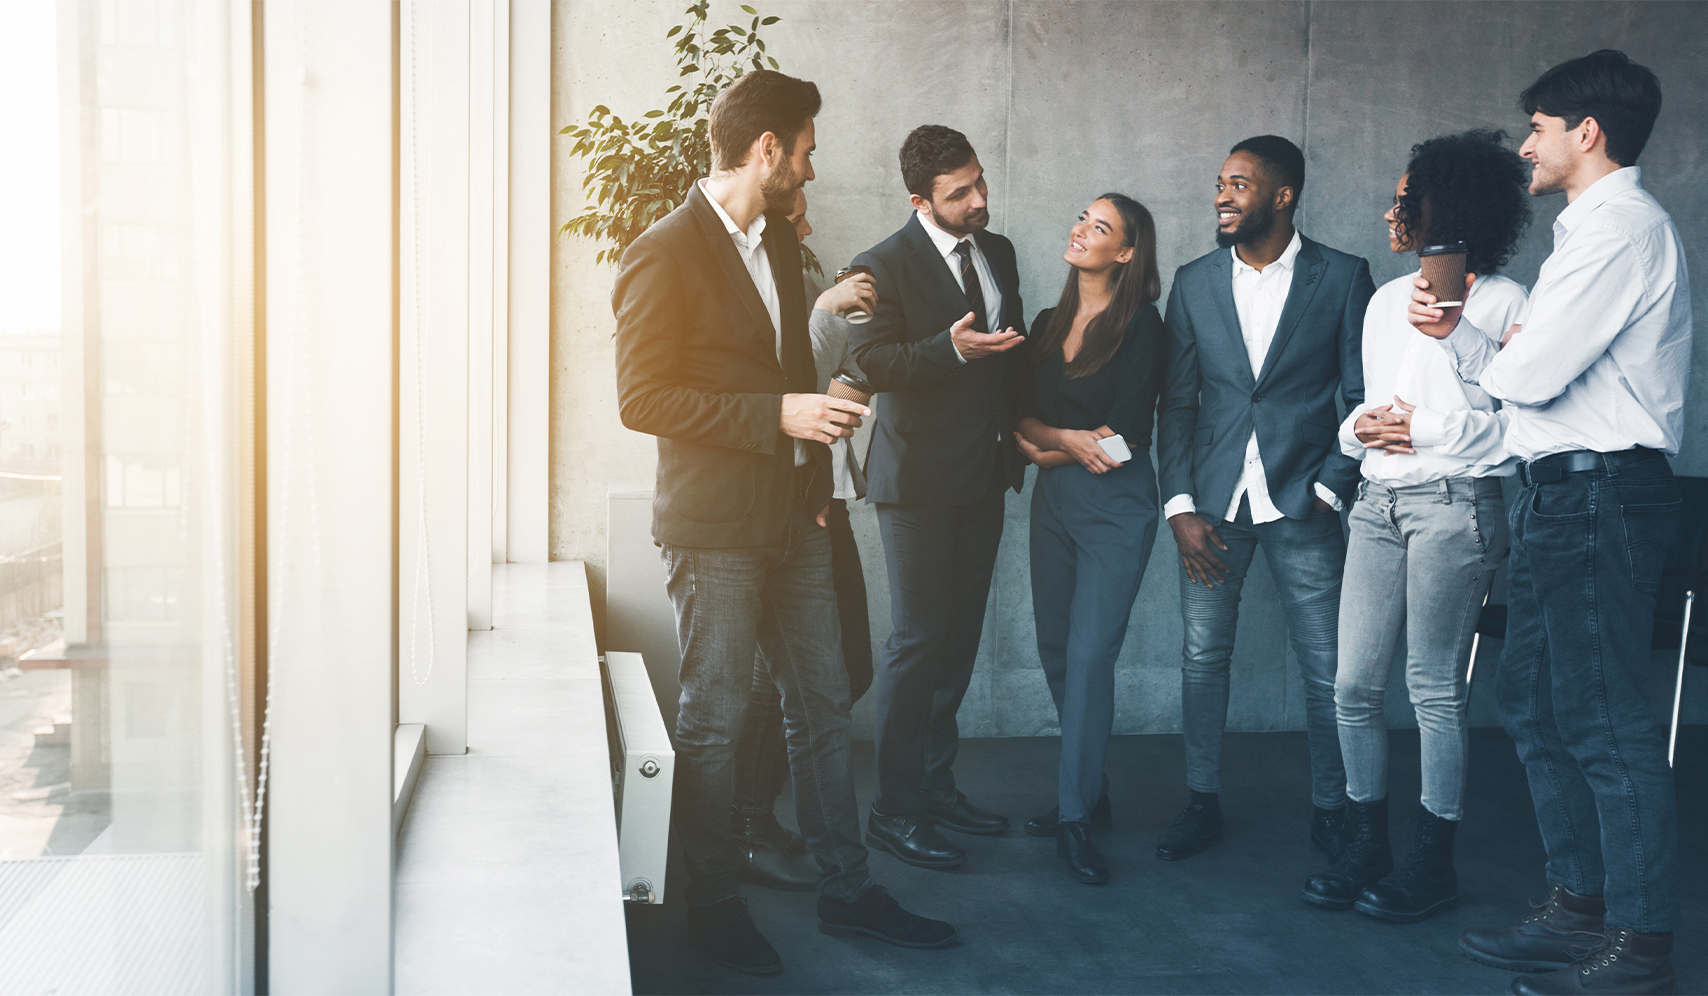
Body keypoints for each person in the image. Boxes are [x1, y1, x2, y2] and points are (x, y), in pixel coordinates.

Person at [611, 70, 955, 976]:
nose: (811, 163)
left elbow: (786, 367)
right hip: (714, 530)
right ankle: (714, 904)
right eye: (805, 147)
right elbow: (642, 398)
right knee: (716, 721)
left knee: (821, 705)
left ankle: (848, 891)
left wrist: (820, 429)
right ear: (767, 149)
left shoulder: (777, 248)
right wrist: (777, 415)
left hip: (796, 519)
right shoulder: (662, 250)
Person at [1410, 51, 1690, 996]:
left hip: (1598, 491)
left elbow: (1534, 380)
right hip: (1562, 490)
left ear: (1587, 133)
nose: (1525, 144)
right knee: (1532, 702)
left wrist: (1507, 354)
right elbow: (1532, 365)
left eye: (1536, 126)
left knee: (1603, 720)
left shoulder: (1621, 229)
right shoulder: (1588, 232)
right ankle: (1579, 906)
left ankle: (1638, 939)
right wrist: (1487, 339)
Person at [1303, 131, 1531, 922]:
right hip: (1376, 506)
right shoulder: (1378, 301)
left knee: (1433, 688)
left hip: (1456, 508)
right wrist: (1364, 431)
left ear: (1444, 203)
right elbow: (1360, 412)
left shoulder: (1503, 303)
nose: (1390, 212)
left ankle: (1433, 863)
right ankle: (1368, 842)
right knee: (1352, 685)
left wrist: (1420, 430)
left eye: (1405, 198)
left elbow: (1509, 435)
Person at [1155, 135, 1373, 862]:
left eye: (1240, 184)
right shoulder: (1192, 282)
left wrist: (1331, 487)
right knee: (1201, 656)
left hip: (1303, 501)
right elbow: (1178, 404)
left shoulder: (1342, 277)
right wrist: (1180, 506)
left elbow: (1359, 393)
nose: (1222, 195)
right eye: (1220, 182)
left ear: (1283, 195)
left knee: (1326, 668)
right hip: (1213, 503)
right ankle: (1201, 801)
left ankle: (1333, 808)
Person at [847, 124, 1027, 869]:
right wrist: (946, 349)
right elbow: (869, 361)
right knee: (916, 644)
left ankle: (933, 783)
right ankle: (893, 811)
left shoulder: (1001, 250)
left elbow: (1008, 353)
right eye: (961, 194)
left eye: (981, 183)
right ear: (921, 199)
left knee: (956, 643)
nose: (979, 200)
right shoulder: (879, 265)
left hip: (983, 475)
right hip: (916, 483)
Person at [1012, 194, 1166, 885]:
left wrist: (1052, 443)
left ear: (1126, 253)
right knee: (1054, 648)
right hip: (1055, 501)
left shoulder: (1143, 326)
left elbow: (1128, 434)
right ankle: (1092, 790)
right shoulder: (1047, 323)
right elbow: (1019, 419)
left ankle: (1074, 817)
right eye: (1081, 217)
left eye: (1101, 228)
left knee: (1090, 656)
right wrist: (1060, 443)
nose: (1081, 230)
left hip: (1116, 505)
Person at [729, 190, 880, 892]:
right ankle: (751, 827)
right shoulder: (780, 297)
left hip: (820, 498)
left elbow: (831, 385)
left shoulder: (802, 287)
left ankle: (764, 828)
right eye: (797, 218)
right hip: (787, 510)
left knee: (816, 676)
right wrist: (828, 315)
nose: (811, 226)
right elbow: (792, 391)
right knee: (799, 677)